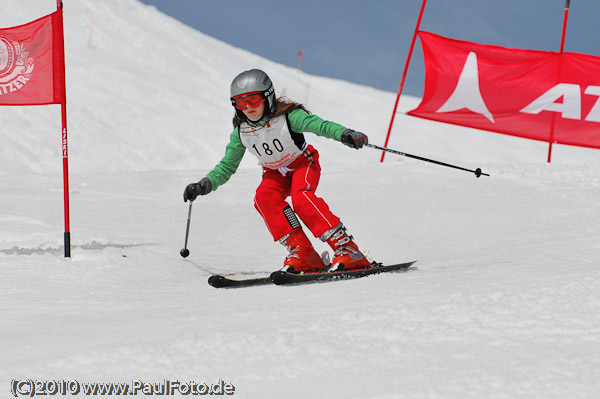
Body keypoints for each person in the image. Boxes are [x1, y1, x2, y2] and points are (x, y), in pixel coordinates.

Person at [184, 69, 372, 274]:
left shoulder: (289, 117)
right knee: (264, 198)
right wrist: (204, 185)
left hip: (302, 164)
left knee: (301, 198)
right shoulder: (241, 132)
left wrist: (345, 134)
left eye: (253, 100)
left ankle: (347, 248)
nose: (247, 107)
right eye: (240, 102)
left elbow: (321, 126)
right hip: (274, 172)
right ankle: (303, 251)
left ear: (268, 96)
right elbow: (227, 166)